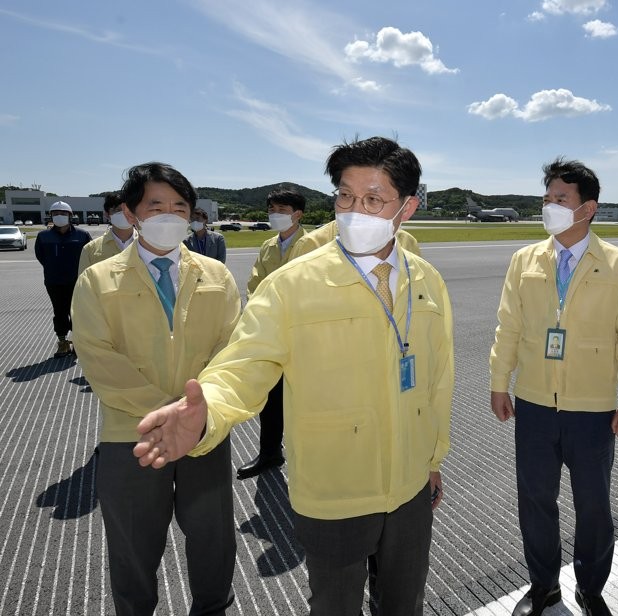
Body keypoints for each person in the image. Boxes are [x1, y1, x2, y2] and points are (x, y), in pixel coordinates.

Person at [133, 137, 453, 616]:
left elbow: (437, 379)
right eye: (345, 196)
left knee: (404, 603)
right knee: (334, 605)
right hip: (334, 490)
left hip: (409, 487)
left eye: (373, 199)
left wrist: (432, 459)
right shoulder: (293, 283)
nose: (354, 210)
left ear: (406, 208)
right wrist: (207, 415)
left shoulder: (426, 279)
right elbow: (242, 365)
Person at [71, 162, 240, 615]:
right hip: (132, 434)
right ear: (131, 212)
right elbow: (97, 356)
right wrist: (168, 411)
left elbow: (233, 350)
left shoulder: (216, 275)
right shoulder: (97, 278)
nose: (170, 214)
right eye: (157, 205)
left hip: (204, 434)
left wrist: (199, 413)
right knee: (132, 544)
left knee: (213, 538)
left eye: (180, 207)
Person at [490, 157, 618, 616]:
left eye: (560, 199)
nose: (550, 206)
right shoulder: (525, 260)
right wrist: (500, 383)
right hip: (536, 404)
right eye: (546, 199)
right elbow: (508, 329)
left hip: (593, 409)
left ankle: (591, 588)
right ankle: (544, 586)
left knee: (594, 506)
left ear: (588, 208)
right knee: (536, 501)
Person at [236, 188, 307, 480]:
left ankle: (309, 460)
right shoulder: (268, 246)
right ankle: (270, 452)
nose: (274, 215)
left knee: (305, 401)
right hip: (272, 334)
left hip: (303, 336)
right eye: (271, 210)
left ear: (298, 214)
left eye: (281, 209)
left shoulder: (315, 244)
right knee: (271, 398)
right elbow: (256, 284)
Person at [35, 200, 91, 357]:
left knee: (77, 313)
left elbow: (88, 256)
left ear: (70, 216)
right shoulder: (43, 236)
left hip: (77, 281)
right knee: (59, 312)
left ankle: (78, 343)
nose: (59, 216)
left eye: (63, 213)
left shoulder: (82, 235)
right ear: (51, 216)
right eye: (56, 214)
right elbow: (41, 257)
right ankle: (63, 342)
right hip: (54, 282)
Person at [291, 216, 422, 259]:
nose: (358, 206)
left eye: (373, 198)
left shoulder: (407, 241)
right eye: (346, 195)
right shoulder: (310, 244)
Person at [78, 191, 137, 274]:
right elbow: (84, 284)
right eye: (117, 210)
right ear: (107, 214)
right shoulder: (90, 250)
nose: (124, 214)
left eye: (128, 209)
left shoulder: (149, 245)